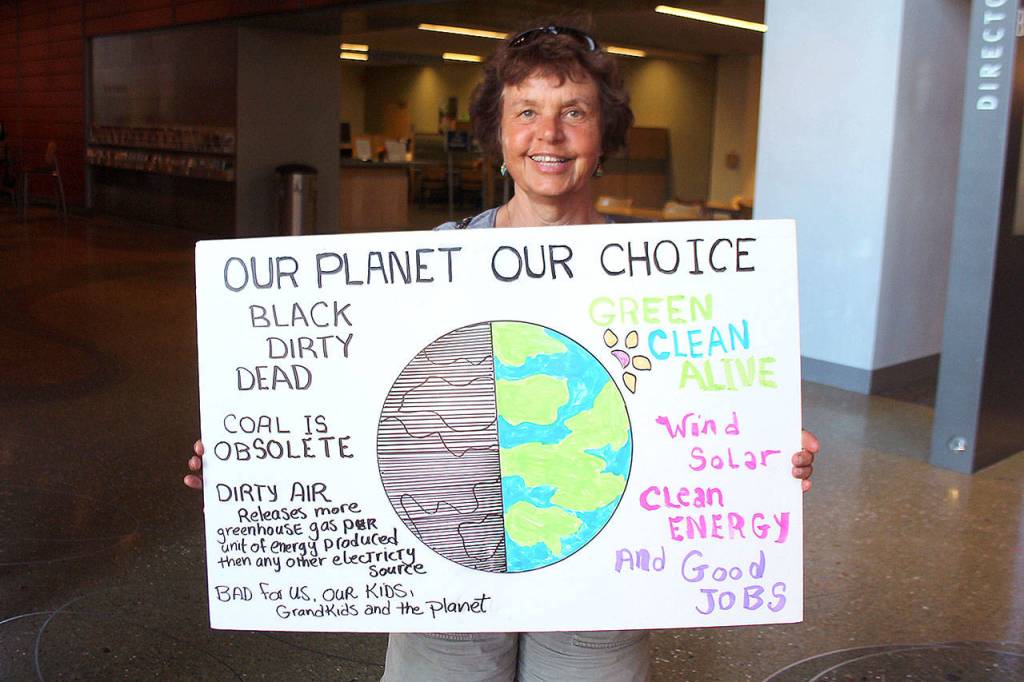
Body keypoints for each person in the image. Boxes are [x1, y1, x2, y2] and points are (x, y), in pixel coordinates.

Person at [186, 23, 820, 682]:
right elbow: (353, 390)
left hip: (598, 584)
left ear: (604, 136)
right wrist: (253, 461)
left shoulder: (659, 276)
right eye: (527, 112)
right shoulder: (430, 259)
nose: (549, 133)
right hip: (449, 570)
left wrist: (765, 451)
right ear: (498, 134)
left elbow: (701, 412)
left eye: (574, 111)